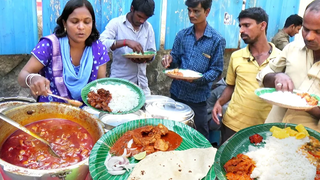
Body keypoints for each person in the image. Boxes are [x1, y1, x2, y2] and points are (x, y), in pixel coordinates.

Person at [212, 7, 281, 144]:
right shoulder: (236, 56)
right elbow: (230, 87)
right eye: (240, 26)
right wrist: (219, 102)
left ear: (263, 25)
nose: (241, 30)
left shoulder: (280, 59)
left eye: (247, 25)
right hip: (232, 125)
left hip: (265, 128)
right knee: (227, 163)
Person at [18, 0, 109, 103]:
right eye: (74, 22)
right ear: (64, 23)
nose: (81, 27)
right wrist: (33, 78)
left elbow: (101, 85)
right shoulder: (50, 45)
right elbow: (22, 76)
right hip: (51, 111)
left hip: (87, 112)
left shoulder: (98, 48)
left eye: (87, 22)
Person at [161, 0, 226, 140]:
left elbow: (216, 70)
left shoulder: (216, 40)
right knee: (173, 134)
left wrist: (197, 79)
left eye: (196, 11)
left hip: (198, 99)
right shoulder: (182, 35)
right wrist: (169, 61)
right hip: (177, 94)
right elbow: (175, 60)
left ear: (207, 11)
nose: (191, 15)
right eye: (189, 10)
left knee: (199, 137)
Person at [257, 0, 320, 132]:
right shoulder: (292, 48)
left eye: (318, 32)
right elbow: (263, 74)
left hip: (307, 145)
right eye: (306, 29)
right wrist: (276, 77)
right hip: (272, 131)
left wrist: (308, 106)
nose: (309, 37)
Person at [99, 0, 156, 96]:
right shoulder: (116, 24)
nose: (142, 21)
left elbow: (152, 51)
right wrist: (125, 42)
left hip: (142, 85)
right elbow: (100, 44)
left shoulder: (148, 27)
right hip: (119, 85)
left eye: (145, 19)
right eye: (139, 17)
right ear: (132, 8)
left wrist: (146, 58)